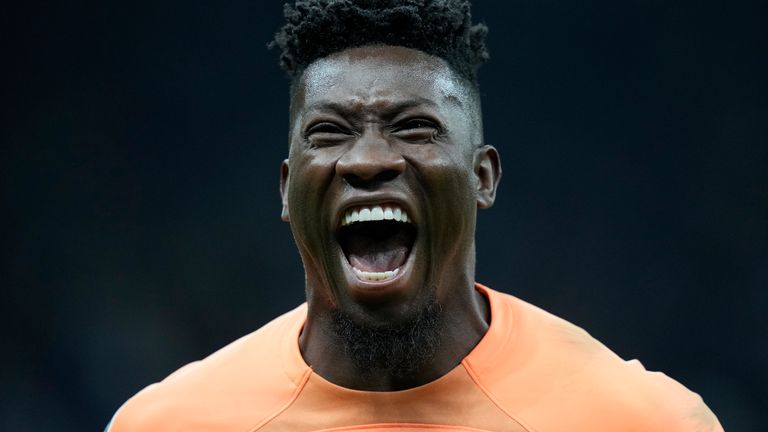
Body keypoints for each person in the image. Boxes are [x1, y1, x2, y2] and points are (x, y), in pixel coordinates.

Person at [106, 1, 723, 430]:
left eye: (415, 128)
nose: (369, 159)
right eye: (328, 132)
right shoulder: (170, 424)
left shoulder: (641, 422)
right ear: (288, 191)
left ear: (483, 177)